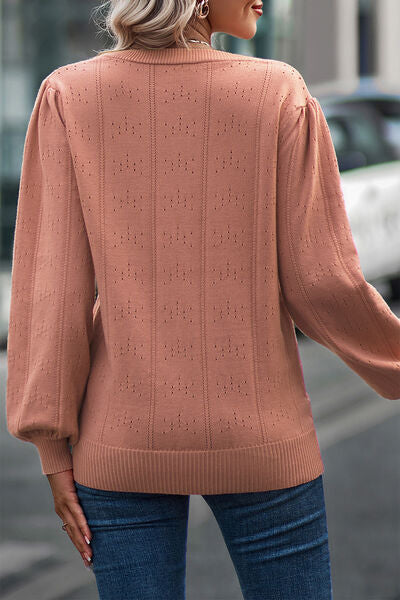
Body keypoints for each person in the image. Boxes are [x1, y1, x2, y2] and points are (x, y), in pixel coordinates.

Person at [5, 0, 400, 598]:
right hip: (262, 436)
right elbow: (320, 282)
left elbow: (53, 291)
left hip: (118, 443)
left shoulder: (69, 96)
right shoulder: (277, 93)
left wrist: (52, 450)